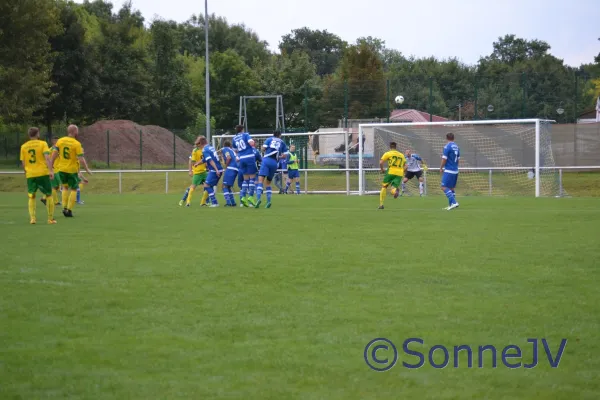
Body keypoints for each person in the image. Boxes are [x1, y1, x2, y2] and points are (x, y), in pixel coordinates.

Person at [51, 125, 92, 217]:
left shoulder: (60, 141)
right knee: (74, 189)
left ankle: (64, 207)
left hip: (61, 169)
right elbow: (81, 158)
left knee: (65, 188)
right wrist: (87, 169)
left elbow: (54, 154)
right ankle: (69, 210)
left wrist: (51, 167)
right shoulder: (76, 143)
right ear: (75, 132)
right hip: (72, 170)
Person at [20, 127, 57, 224]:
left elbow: (23, 162)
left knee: (31, 196)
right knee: (49, 195)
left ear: (29, 135)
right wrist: (51, 170)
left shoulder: (24, 146)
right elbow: (47, 158)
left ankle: (32, 218)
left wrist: (26, 172)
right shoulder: (43, 144)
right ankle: (50, 219)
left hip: (30, 174)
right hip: (42, 173)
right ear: (37, 134)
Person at [255, 130, 288, 208]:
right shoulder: (282, 142)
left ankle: (258, 199)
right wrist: (279, 156)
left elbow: (263, 148)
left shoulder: (269, 139)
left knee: (260, 181)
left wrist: (263, 149)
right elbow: (285, 155)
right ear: (279, 135)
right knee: (268, 183)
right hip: (274, 163)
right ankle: (268, 201)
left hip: (266, 160)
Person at [180, 136, 209, 207]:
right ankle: (185, 200)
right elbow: (191, 162)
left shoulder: (205, 149)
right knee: (192, 186)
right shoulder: (195, 151)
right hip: (197, 172)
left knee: (208, 186)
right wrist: (190, 171)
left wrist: (207, 165)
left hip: (204, 171)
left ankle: (204, 202)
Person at [232, 125, 256, 207]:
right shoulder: (246, 134)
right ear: (242, 129)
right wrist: (253, 144)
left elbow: (234, 150)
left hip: (241, 159)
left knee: (245, 179)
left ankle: (243, 198)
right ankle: (251, 197)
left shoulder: (234, 138)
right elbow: (251, 143)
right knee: (252, 178)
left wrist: (237, 156)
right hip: (249, 157)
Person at [378, 142, 406, 210]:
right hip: (399, 173)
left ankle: (381, 205)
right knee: (393, 188)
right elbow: (406, 166)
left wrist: (382, 170)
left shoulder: (388, 153)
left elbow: (381, 162)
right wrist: (402, 171)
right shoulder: (401, 155)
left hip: (391, 171)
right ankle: (395, 191)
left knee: (384, 186)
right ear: (396, 147)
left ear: (390, 147)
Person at [199, 137, 223, 207]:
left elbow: (210, 160)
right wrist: (198, 163)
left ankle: (214, 202)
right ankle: (210, 201)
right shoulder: (210, 147)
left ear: (201, 144)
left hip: (214, 170)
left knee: (206, 185)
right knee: (210, 186)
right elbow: (205, 159)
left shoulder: (205, 150)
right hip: (219, 168)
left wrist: (216, 170)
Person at [440, 132, 460, 210]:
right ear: (453, 138)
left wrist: (441, 167)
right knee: (451, 188)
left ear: (446, 138)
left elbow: (444, 159)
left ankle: (454, 202)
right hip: (455, 170)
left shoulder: (447, 147)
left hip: (449, 170)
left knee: (443, 187)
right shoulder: (457, 147)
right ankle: (451, 205)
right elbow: (458, 159)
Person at [41, 136, 61, 207]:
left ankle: (44, 198)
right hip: (54, 170)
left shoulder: (53, 149)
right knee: (54, 186)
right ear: (54, 141)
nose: (58, 142)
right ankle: (54, 201)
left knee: (56, 186)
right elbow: (49, 158)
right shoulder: (53, 149)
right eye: (57, 141)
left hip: (56, 169)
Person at [221, 140, 238, 207]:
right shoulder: (232, 150)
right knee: (228, 186)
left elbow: (228, 157)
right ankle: (233, 202)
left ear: (224, 145)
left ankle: (228, 203)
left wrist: (226, 165)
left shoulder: (225, 149)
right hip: (236, 168)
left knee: (224, 186)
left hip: (231, 168)